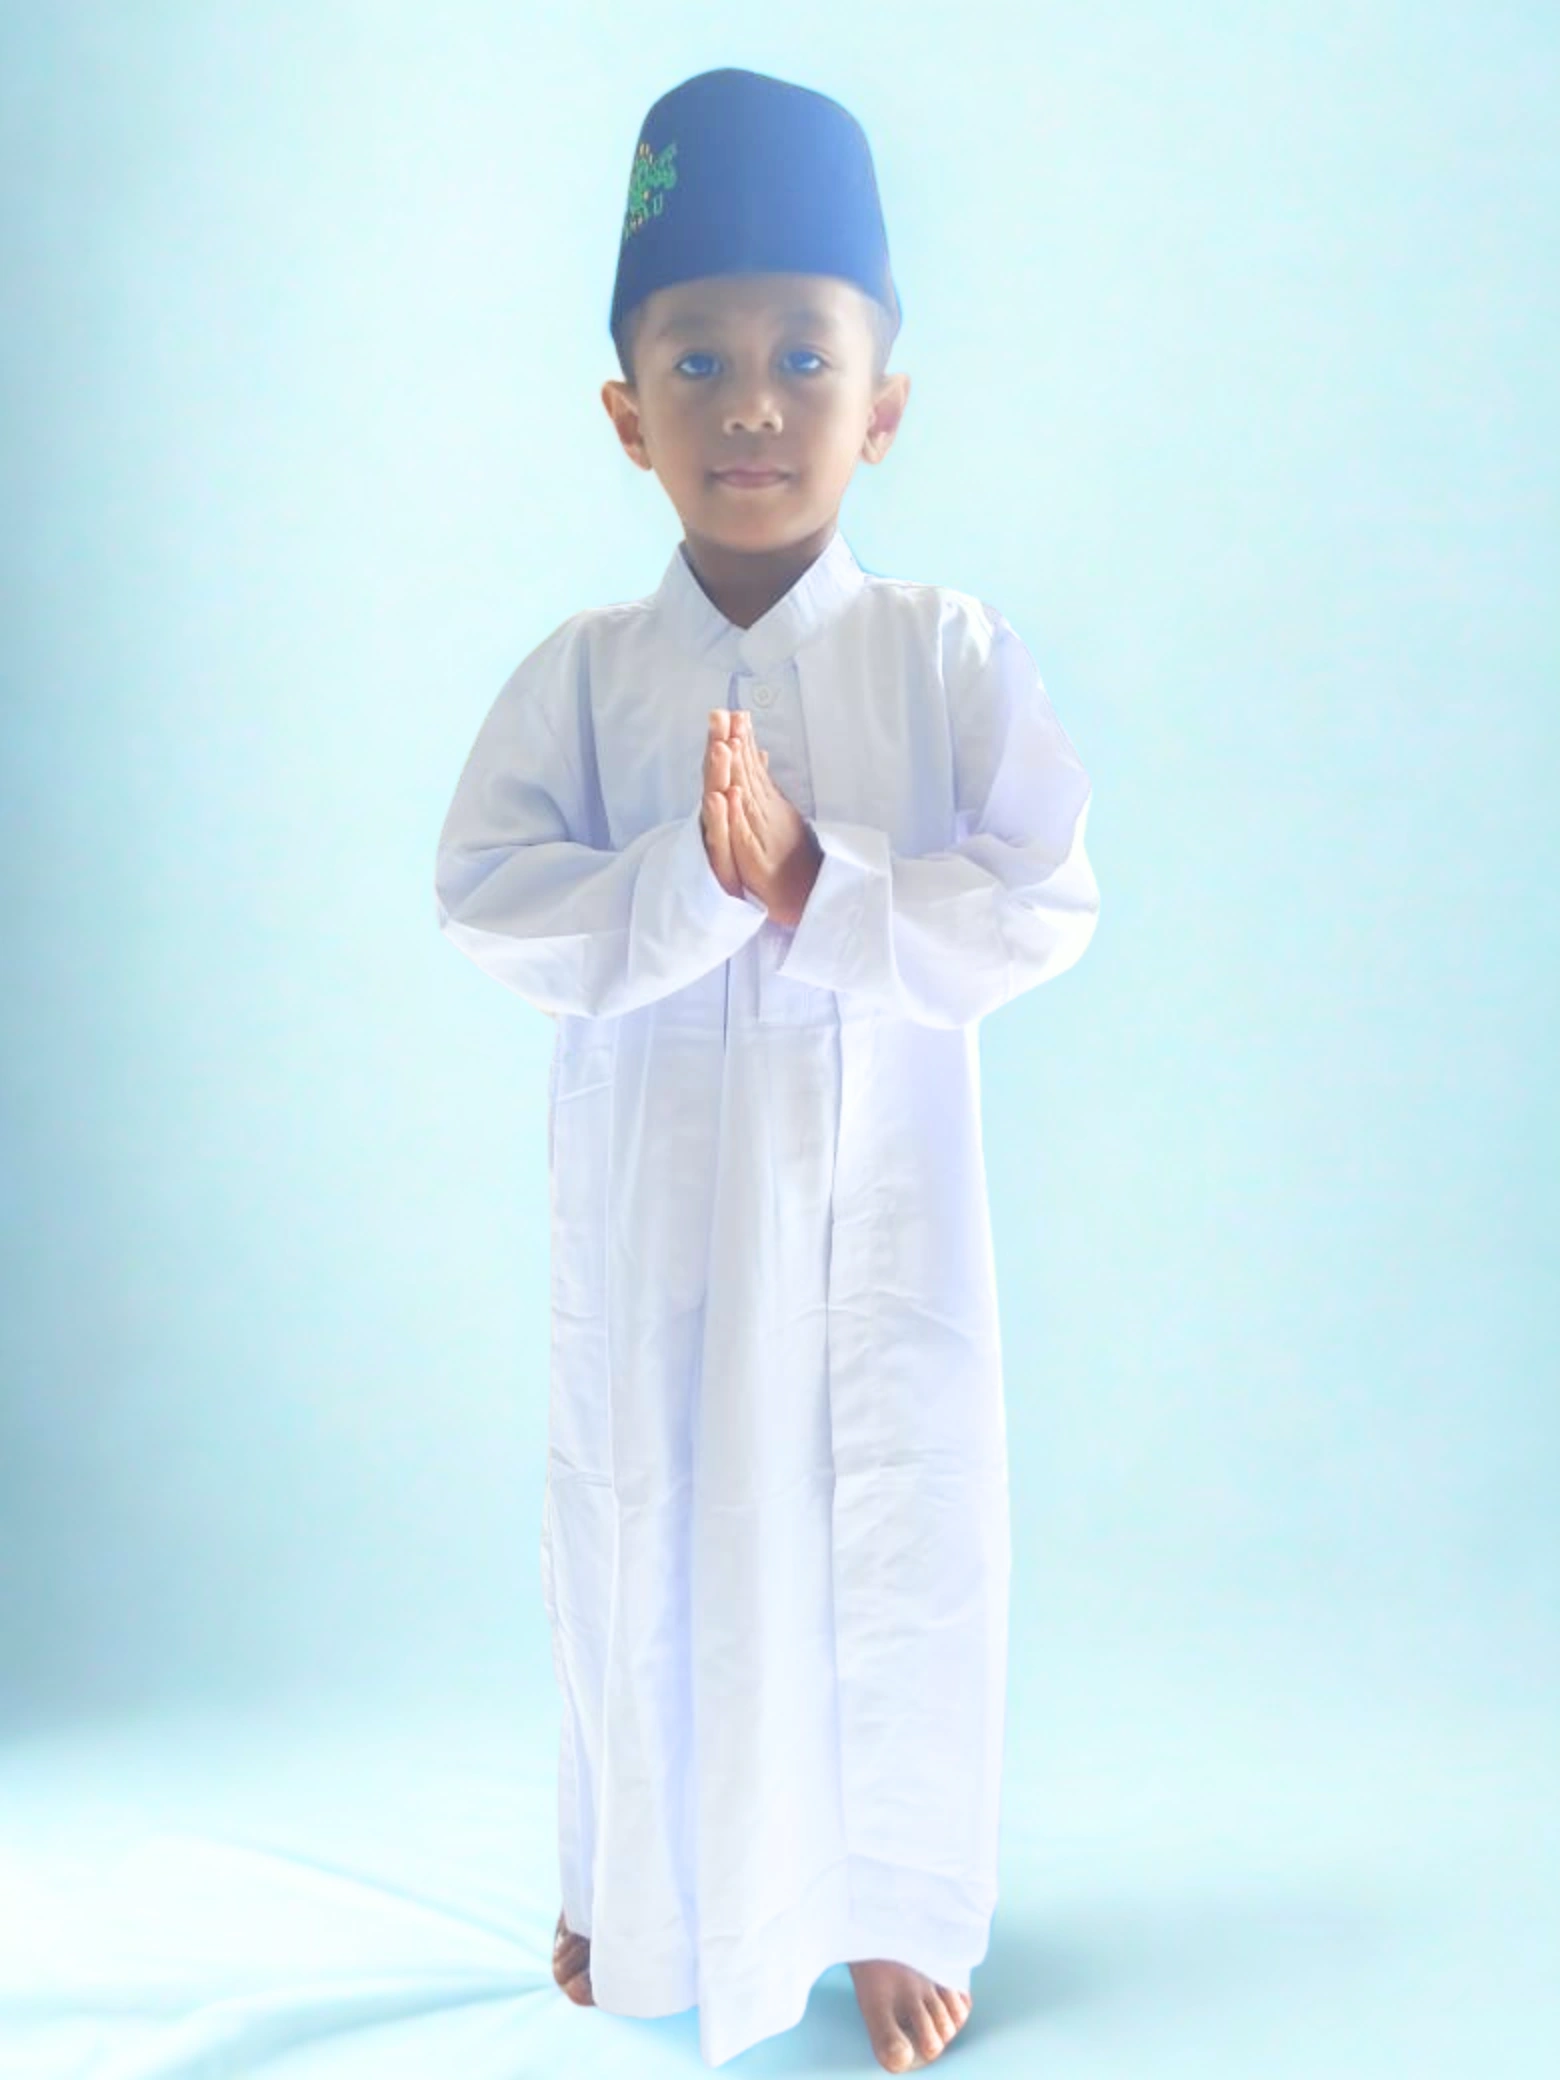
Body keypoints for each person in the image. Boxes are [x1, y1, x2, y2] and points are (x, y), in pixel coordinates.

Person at [433, 65, 1101, 2074]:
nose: (751, 404)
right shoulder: (582, 676)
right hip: (664, 1214)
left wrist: (818, 884)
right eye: (699, 358)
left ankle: (892, 1902)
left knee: (893, 1528)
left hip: (883, 1219)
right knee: (641, 1521)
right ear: (624, 410)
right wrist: (689, 890)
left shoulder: (944, 657)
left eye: (805, 354)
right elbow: (487, 897)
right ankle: (635, 1883)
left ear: (883, 404)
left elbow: (1044, 896)